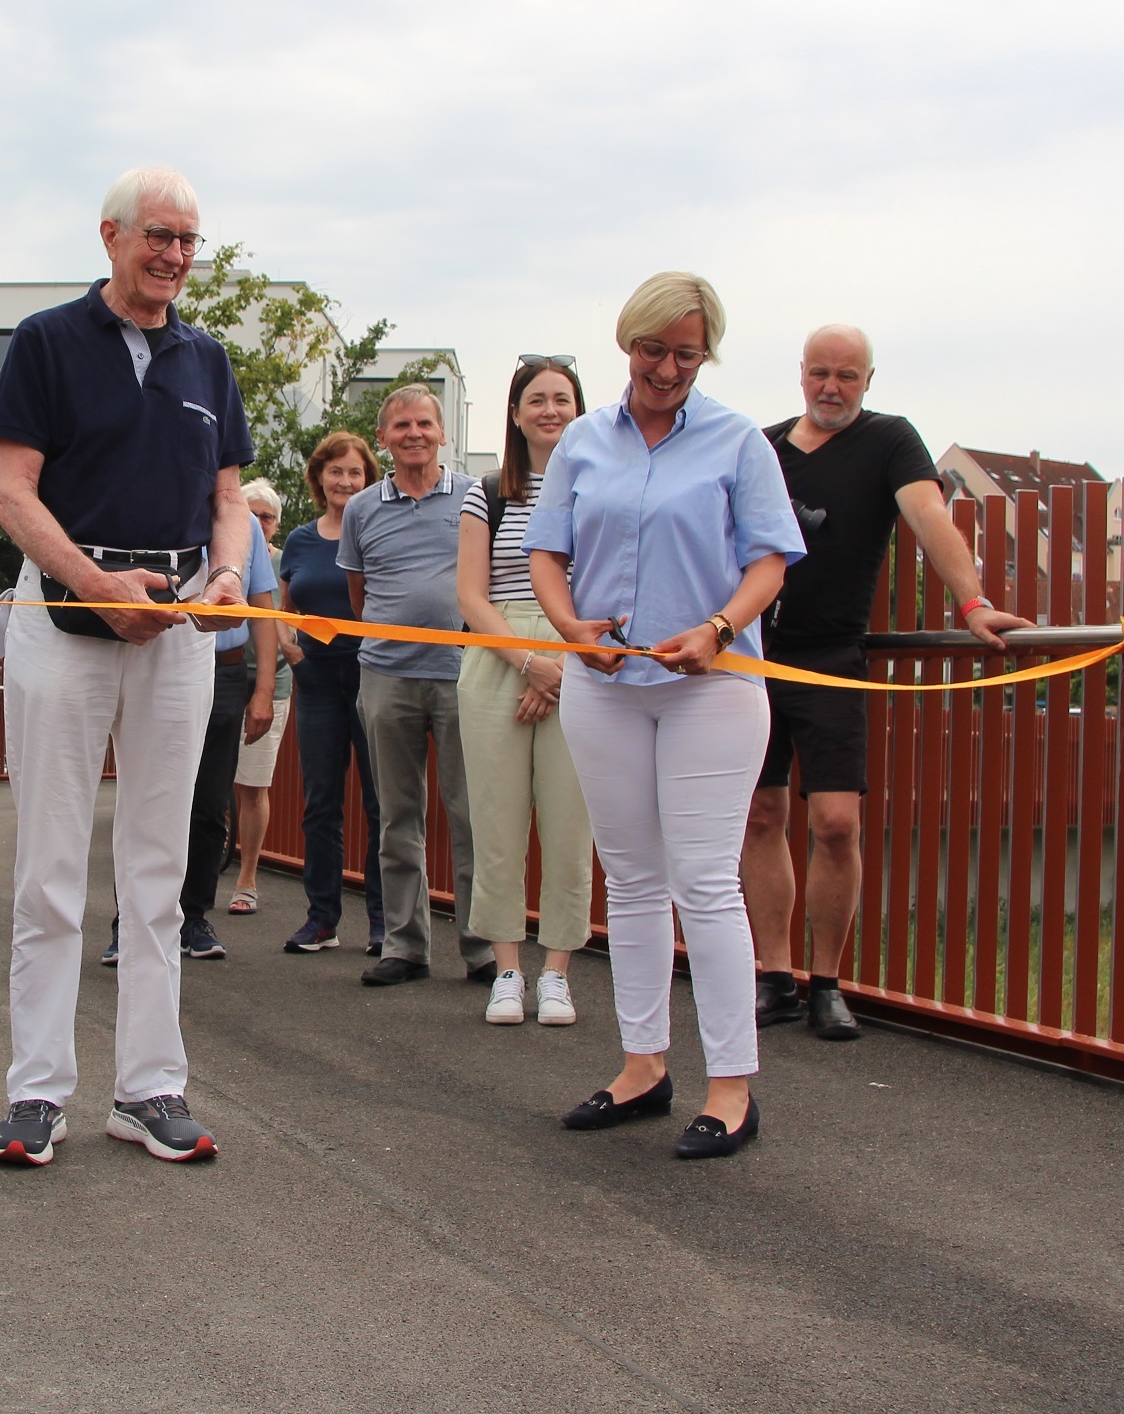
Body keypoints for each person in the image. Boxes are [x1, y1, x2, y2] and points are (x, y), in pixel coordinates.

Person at [0, 165, 254, 1166]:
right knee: (49, 867)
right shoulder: (47, 342)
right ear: (111, 236)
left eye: (187, 240)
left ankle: (149, 1089)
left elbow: (229, 497)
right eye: (158, 237)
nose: (174, 256)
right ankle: (37, 1092)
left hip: (177, 628)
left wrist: (228, 576)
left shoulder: (207, 359)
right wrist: (95, 585)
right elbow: (12, 492)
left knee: (158, 868)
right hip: (65, 619)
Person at [528, 271, 804, 1160]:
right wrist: (572, 630)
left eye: (687, 354)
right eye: (653, 350)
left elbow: (770, 562)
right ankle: (642, 1066)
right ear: (628, 344)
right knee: (633, 880)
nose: (668, 369)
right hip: (604, 684)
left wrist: (718, 628)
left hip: (711, 687)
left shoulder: (738, 441)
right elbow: (547, 555)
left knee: (705, 880)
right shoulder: (582, 440)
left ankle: (732, 1088)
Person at [742, 325, 1029, 1038]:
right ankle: (773, 978)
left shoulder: (889, 439)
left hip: (833, 657)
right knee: (761, 816)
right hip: (752, 656)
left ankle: (825, 983)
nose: (831, 387)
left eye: (847, 375)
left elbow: (929, 515)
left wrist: (973, 604)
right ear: (800, 373)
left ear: (868, 380)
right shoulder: (763, 447)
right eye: (820, 372)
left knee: (836, 824)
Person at [456, 358, 592, 1028]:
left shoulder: (599, 489)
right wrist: (529, 663)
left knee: (570, 824)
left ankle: (558, 970)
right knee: (497, 822)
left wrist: (556, 665)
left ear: (580, 410)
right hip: (498, 654)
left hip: (578, 658)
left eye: (562, 399)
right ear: (514, 414)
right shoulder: (487, 492)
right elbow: (471, 595)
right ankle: (507, 968)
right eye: (536, 399)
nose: (550, 410)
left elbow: (603, 585)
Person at [342, 385, 492, 988]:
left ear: (442, 432)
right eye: (401, 425)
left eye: (424, 423)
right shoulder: (361, 509)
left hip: (464, 674)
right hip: (386, 676)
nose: (414, 434)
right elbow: (359, 597)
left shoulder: (475, 496)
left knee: (471, 815)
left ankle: (483, 947)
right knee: (397, 816)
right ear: (383, 438)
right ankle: (404, 945)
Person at [99, 491, 276, 964]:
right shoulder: (167, 509)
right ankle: (128, 922)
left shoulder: (244, 527)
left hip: (227, 670)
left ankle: (194, 916)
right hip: (159, 656)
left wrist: (264, 689)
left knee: (210, 802)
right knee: (144, 797)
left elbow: (262, 607)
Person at [279, 432, 387, 956]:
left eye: (355, 472)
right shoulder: (299, 541)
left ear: (368, 480)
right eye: (336, 471)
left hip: (373, 676)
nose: (345, 481)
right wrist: (289, 646)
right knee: (320, 803)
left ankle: (385, 923)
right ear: (319, 478)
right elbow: (283, 609)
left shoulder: (379, 532)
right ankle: (322, 919)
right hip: (316, 680)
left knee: (382, 803)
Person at [224, 480, 294, 916]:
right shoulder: (221, 558)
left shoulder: (285, 564)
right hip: (221, 675)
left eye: (265, 517)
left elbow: (292, 621)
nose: (257, 523)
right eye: (249, 515)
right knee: (208, 782)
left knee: (253, 783)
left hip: (272, 682)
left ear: (276, 524)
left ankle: (247, 878)